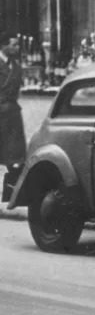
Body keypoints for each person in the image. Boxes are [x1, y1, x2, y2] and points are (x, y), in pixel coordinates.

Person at [0, 31, 25, 203]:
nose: (17, 47)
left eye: (18, 44)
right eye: (14, 44)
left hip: (12, 114)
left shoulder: (16, 67)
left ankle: (10, 195)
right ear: (4, 46)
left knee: (16, 156)